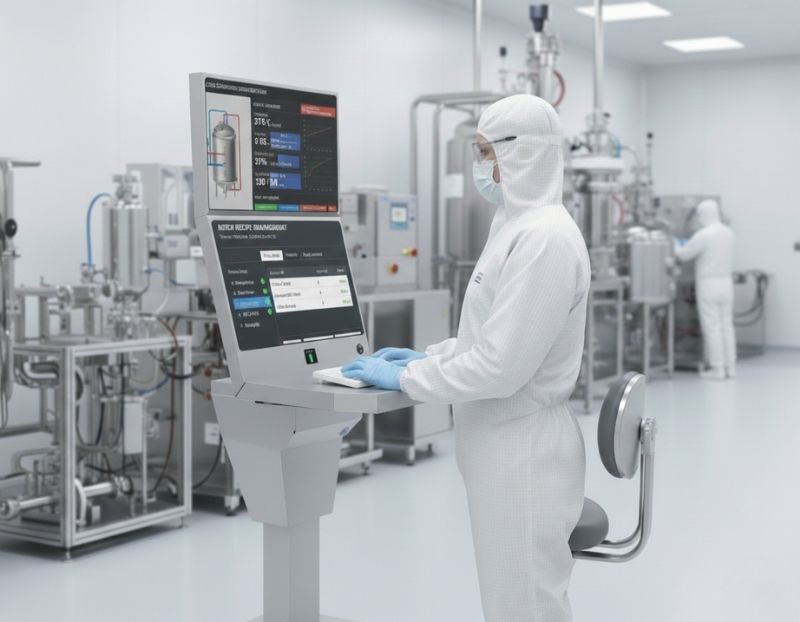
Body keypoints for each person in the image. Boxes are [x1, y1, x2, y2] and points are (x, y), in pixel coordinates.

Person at [342, 94, 591, 622]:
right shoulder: (514, 225)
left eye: (485, 151)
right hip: (501, 445)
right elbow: (493, 339)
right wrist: (431, 355)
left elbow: (500, 369)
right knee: (515, 602)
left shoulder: (545, 238)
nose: (480, 166)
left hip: (523, 453)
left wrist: (410, 378)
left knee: (524, 608)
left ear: (520, 152)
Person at [675, 199, 736, 380]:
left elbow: (684, 255)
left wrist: (674, 244)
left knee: (712, 327)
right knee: (727, 326)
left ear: (704, 214)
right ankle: (730, 368)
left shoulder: (704, 234)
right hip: (726, 282)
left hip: (709, 284)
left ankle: (717, 369)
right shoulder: (729, 232)